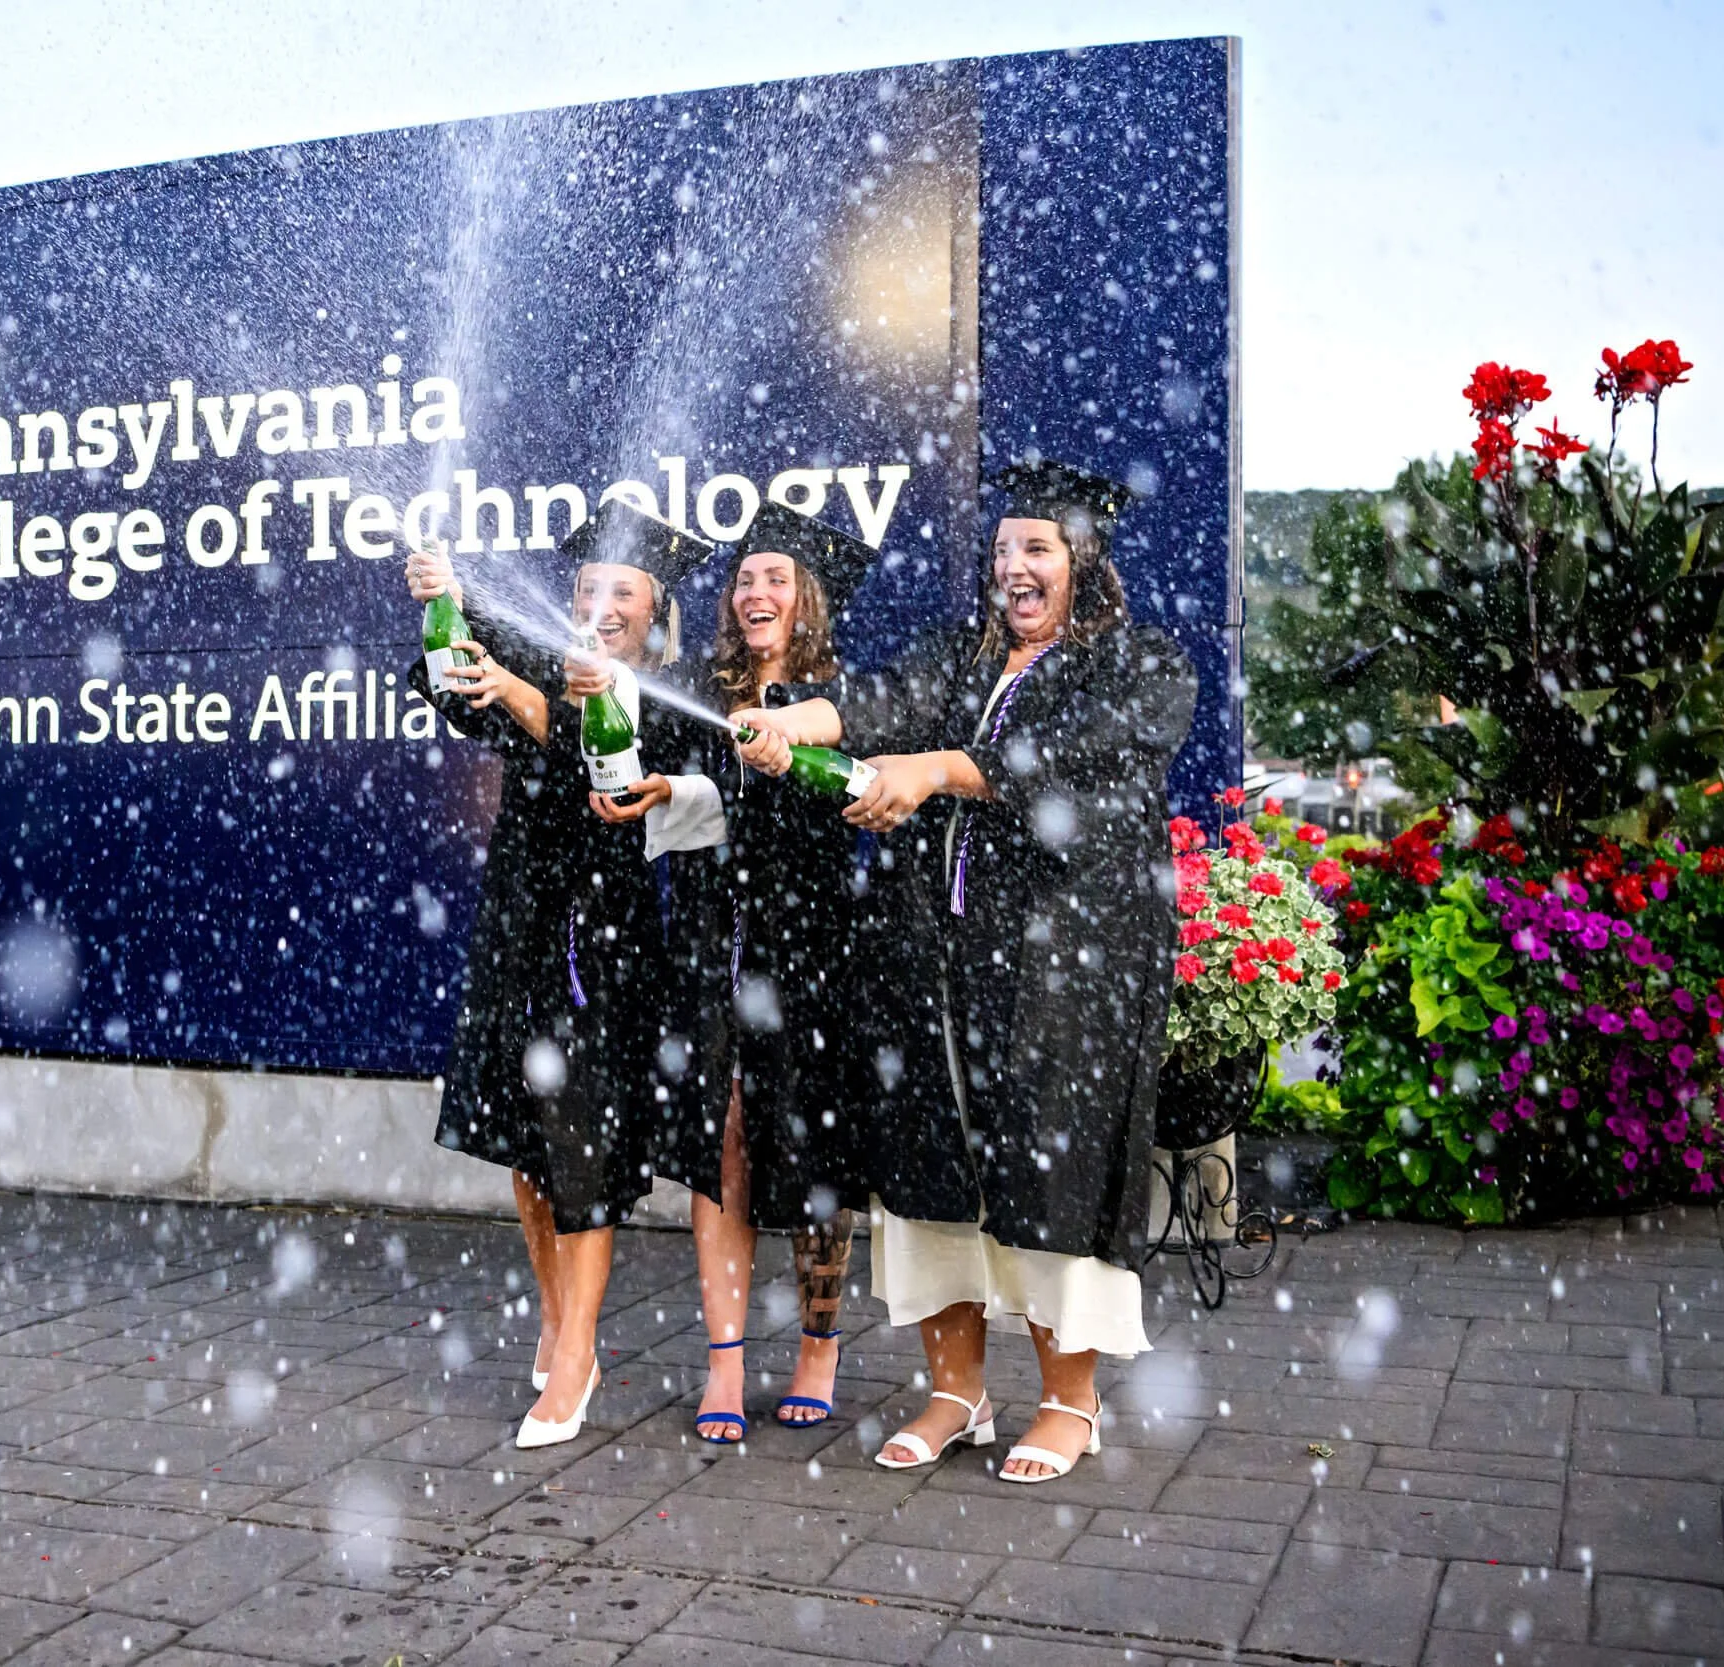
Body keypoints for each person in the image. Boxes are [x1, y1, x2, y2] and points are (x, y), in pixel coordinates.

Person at [733, 459, 1196, 1483]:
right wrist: (787, 723)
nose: (1013, 568)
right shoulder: (960, 656)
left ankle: (1069, 1405)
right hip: (931, 965)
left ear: (1083, 562)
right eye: (999, 550)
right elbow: (874, 699)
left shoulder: (1141, 665)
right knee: (931, 1169)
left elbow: (1069, 758)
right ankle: (956, 1391)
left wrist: (938, 769)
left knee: (1046, 1170)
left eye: (1036, 548)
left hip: (1060, 972)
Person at [406, 498, 717, 1450]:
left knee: (579, 1139)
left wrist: (527, 692)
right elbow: (453, 686)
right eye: (589, 586)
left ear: (656, 608)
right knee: (525, 1144)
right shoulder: (543, 658)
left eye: (624, 588)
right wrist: (445, 602)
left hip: (602, 942)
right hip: (521, 921)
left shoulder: (671, 687)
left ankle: (576, 1354)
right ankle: (555, 1313)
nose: (602, 602)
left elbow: (612, 777)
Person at [595, 502, 879, 1443]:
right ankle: (722, 1361)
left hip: (813, 952)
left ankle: (818, 1347)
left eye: (778, 577)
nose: (757, 591)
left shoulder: (845, 696)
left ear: (808, 600)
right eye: (746, 577)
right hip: (717, 946)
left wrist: (792, 750)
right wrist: (664, 790)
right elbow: (680, 800)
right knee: (723, 1143)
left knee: (811, 1154)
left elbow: (853, 808)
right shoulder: (699, 695)